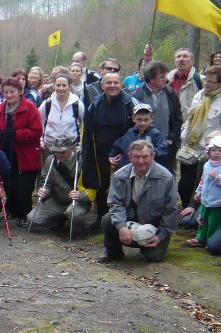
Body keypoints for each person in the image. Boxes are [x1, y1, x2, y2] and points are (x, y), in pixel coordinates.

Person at [100, 140, 179, 263]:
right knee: (107, 219)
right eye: (136, 157)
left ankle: (148, 246)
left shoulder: (166, 178)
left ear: (152, 156)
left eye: (145, 156)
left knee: (153, 257)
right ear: (129, 157)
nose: (140, 161)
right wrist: (121, 227)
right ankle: (114, 252)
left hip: (155, 226)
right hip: (129, 220)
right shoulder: (119, 176)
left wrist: (160, 236)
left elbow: (171, 210)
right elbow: (115, 204)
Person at [177, 65, 221, 209]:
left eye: (211, 81)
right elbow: (190, 117)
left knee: (199, 184)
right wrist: (184, 132)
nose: (206, 83)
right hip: (189, 148)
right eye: (205, 80)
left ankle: (195, 213)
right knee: (184, 184)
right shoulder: (199, 96)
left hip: (209, 153)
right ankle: (186, 210)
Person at [0, 76, 43, 227]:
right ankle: (10, 210)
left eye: (12, 92)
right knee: (9, 182)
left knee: (23, 186)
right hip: (7, 150)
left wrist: (17, 133)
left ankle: (23, 214)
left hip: (26, 153)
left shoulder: (29, 107)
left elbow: (37, 131)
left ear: (19, 92)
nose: (9, 95)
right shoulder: (0, 108)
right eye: (6, 92)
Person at [81, 71, 134, 229]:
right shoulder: (95, 103)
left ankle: (121, 220)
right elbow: (88, 128)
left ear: (121, 84)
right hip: (99, 152)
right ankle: (101, 218)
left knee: (122, 188)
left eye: (115, 83)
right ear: (102, 85)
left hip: (123, 153)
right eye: (108, 83)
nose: (112, 86)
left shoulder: (129, 103)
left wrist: (122, 152)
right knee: (102, 187)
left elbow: (134, 131)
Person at [28, 135, 91, 230]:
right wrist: (44, 190)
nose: (58, 155)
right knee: (32, 219)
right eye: (55, 151)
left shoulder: (82, 161)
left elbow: (91, 187)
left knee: (74, 214)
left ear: (71, 148)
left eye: (62, 152)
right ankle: (59, 219)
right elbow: (44, 182)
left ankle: (77, 227)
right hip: (58, 200)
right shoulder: (50, 160)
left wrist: (81, 195)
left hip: (77, 201)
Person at [130, 60, 182, 173]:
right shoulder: (136, 96)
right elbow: (130, 123)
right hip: (142, 151)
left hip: (166, 149)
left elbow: (177, 118)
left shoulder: (170, 93)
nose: (166, 79)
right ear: (152, 79)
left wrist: (172, 139)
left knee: (165, 177)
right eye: (162, 77)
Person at [187, 135, 221, 248]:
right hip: (206, 200)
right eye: (213, 150)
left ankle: (211, 239)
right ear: (208, 151)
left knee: (214, 222)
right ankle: (200, 237)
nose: (216, 153)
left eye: (220, 150)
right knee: (203, 219)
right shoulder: (207, 164)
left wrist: (218, 177)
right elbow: (203, 180)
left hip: (219, 201)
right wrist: (199, 192)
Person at [109, 103, 167, 169]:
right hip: (127, 168)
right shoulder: (130, 132)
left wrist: (147, 152)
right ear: (133, 118)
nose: (142, 123)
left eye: (146, 120)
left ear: (151, 119)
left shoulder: (155, 134)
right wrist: (112, 156)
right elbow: (118, 145)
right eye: (139, 119)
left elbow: (162, 149)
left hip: (145, 169)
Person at [40, 73, 83, 149]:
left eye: (64, 85)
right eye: (58, 85)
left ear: (69, 87)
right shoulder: (47, 104)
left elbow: (83, 125)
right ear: (54, 86)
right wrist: (41, 140)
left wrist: (80, 144)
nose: (61, 88)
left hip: (70, 148)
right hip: (49, 147)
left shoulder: (77, 105)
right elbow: (40, 123)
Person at [167, 48, 203, 119]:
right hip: (169, 123)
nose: (181, 59)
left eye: (185, 56)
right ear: (175, 61)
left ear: (192, 61)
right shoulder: (167, 79)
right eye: (178, 56)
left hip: (189, 124)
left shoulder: (201, 80)